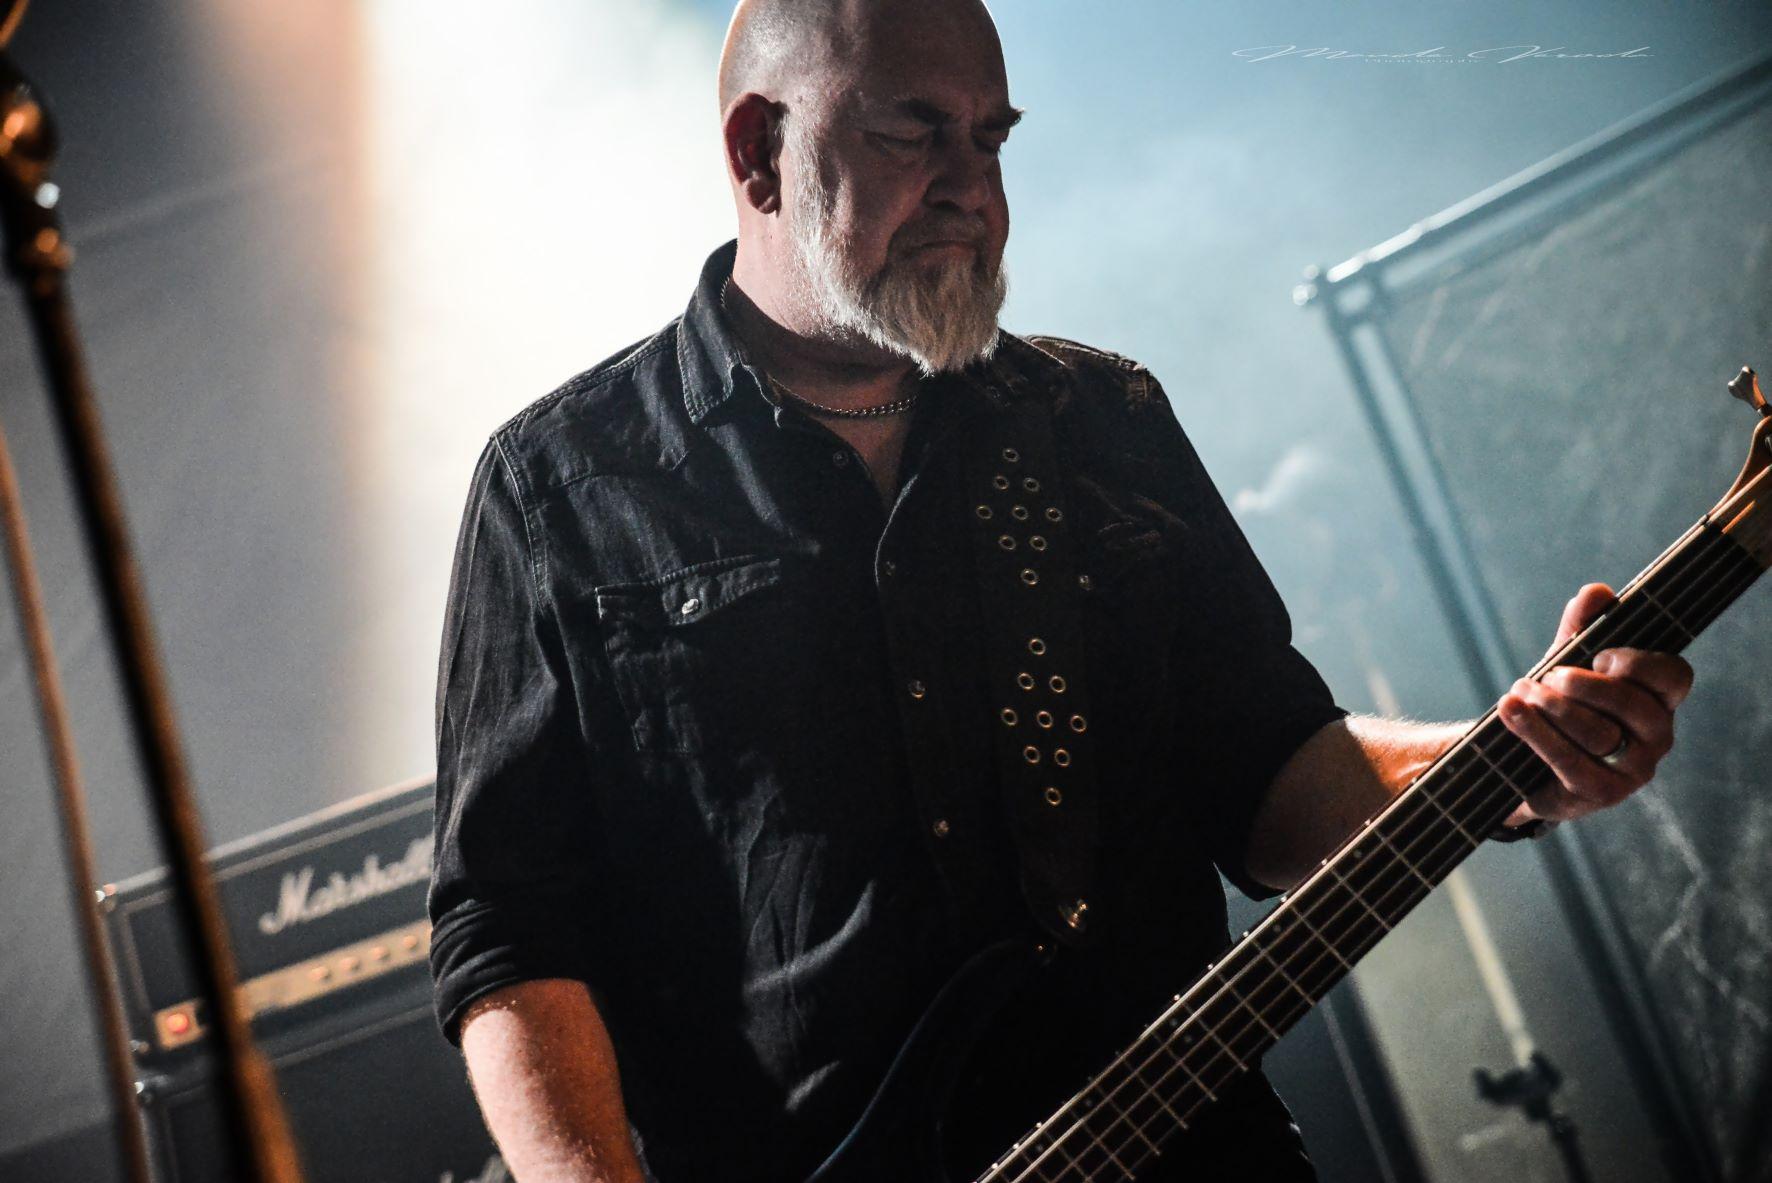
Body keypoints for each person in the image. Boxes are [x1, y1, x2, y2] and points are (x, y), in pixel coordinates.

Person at [426, 1, 1695, 1179]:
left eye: (989, 140)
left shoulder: (1097, 417)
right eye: (912, 134)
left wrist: (1508, 763)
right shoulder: (561, 487)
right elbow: (509, 930)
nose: (971, 191)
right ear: (759, 151)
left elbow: (1271, 780)